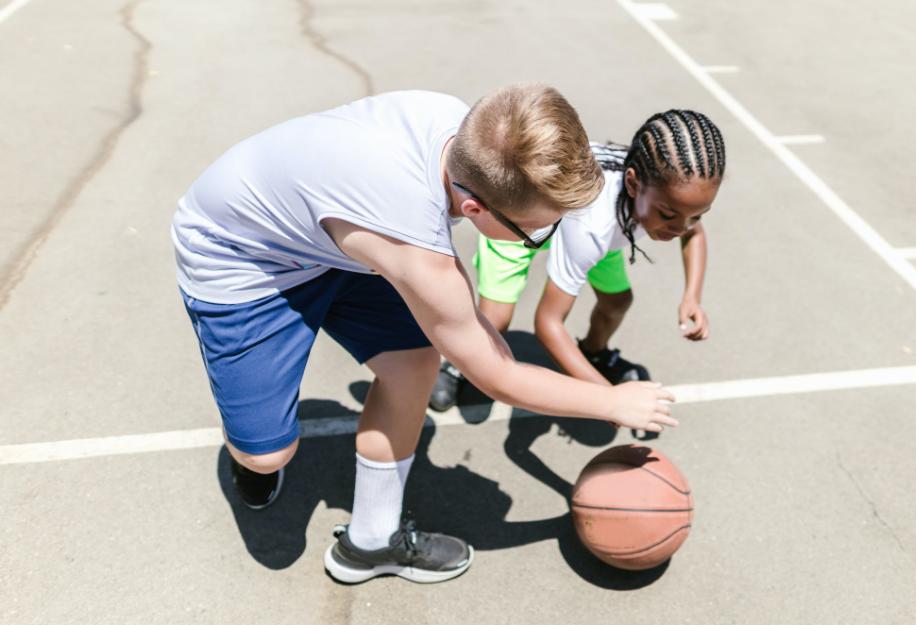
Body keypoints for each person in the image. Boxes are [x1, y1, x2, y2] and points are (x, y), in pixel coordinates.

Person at [172, 86, 677, 585]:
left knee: (416, 363)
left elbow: (471, 331)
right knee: (266, 455)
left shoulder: (462, 133)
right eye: (538, 232)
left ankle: (371, 543)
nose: (546, 238)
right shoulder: (416, 247)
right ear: (477, 210)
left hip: (340, 231)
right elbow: (497, 375)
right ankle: (248, 449)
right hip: (241, 257)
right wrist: (611, 403)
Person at [430, 109, 725, 412]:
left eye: (696, 214)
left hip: (598, 228)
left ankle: (593, 353)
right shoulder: (593, 227)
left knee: (617, 301)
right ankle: (455, 367)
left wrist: (692, 297)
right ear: (634, 184)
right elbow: (548, 324)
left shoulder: (665, 194)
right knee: (495, 321)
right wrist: (610, 399)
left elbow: (693, 233)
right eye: (668, 215)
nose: (679, 228)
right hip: (519, 223)